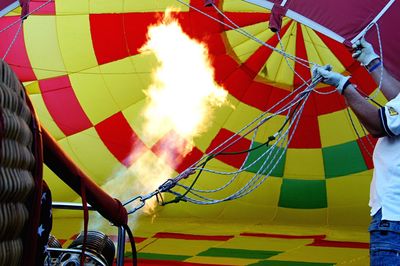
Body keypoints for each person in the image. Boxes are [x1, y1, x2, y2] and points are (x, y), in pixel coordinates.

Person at [313, 38, 400, 266]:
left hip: (393, 221)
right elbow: (398, 97)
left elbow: (378, 125)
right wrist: (370, 61)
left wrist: (343, 86)